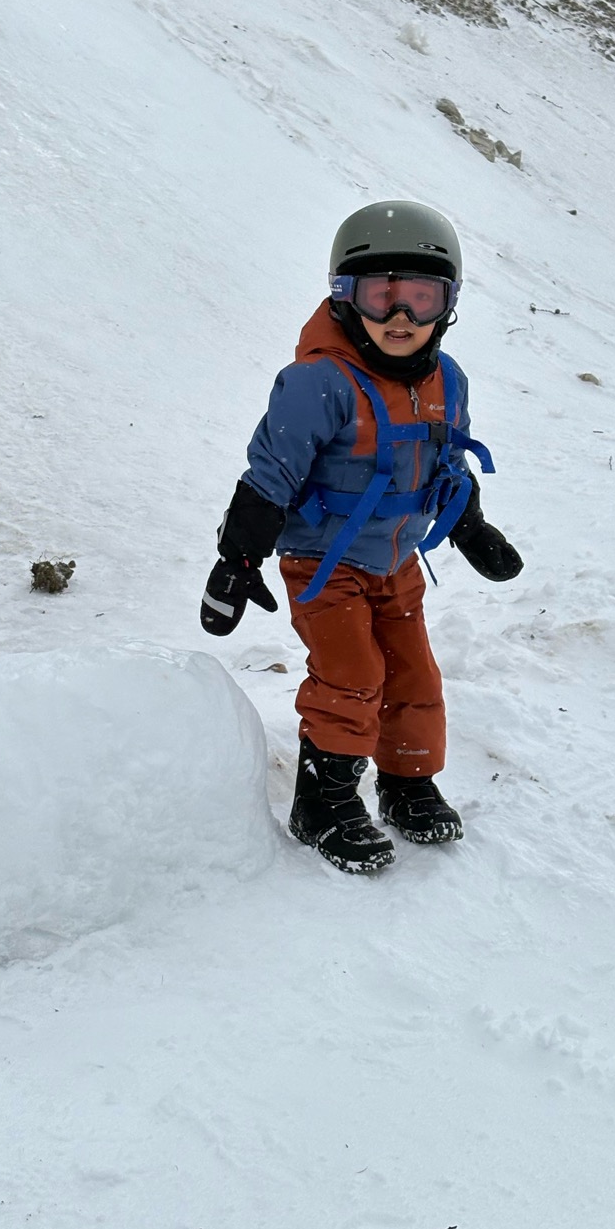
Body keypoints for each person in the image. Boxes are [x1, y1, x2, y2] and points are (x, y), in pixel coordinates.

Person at [200, 201, 523, 874]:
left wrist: (470, 525)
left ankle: (407, 784)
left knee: (413, 675)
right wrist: (237, 560)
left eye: (421, 297)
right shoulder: (319, 384)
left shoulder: (446, 380)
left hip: (397, 561)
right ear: (345, 298)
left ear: (448, 302)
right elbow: (269, 476)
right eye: (382, 295)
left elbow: (445, 462)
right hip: (323, 560)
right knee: (352, 673)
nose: (400, 317)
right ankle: (324, 801)